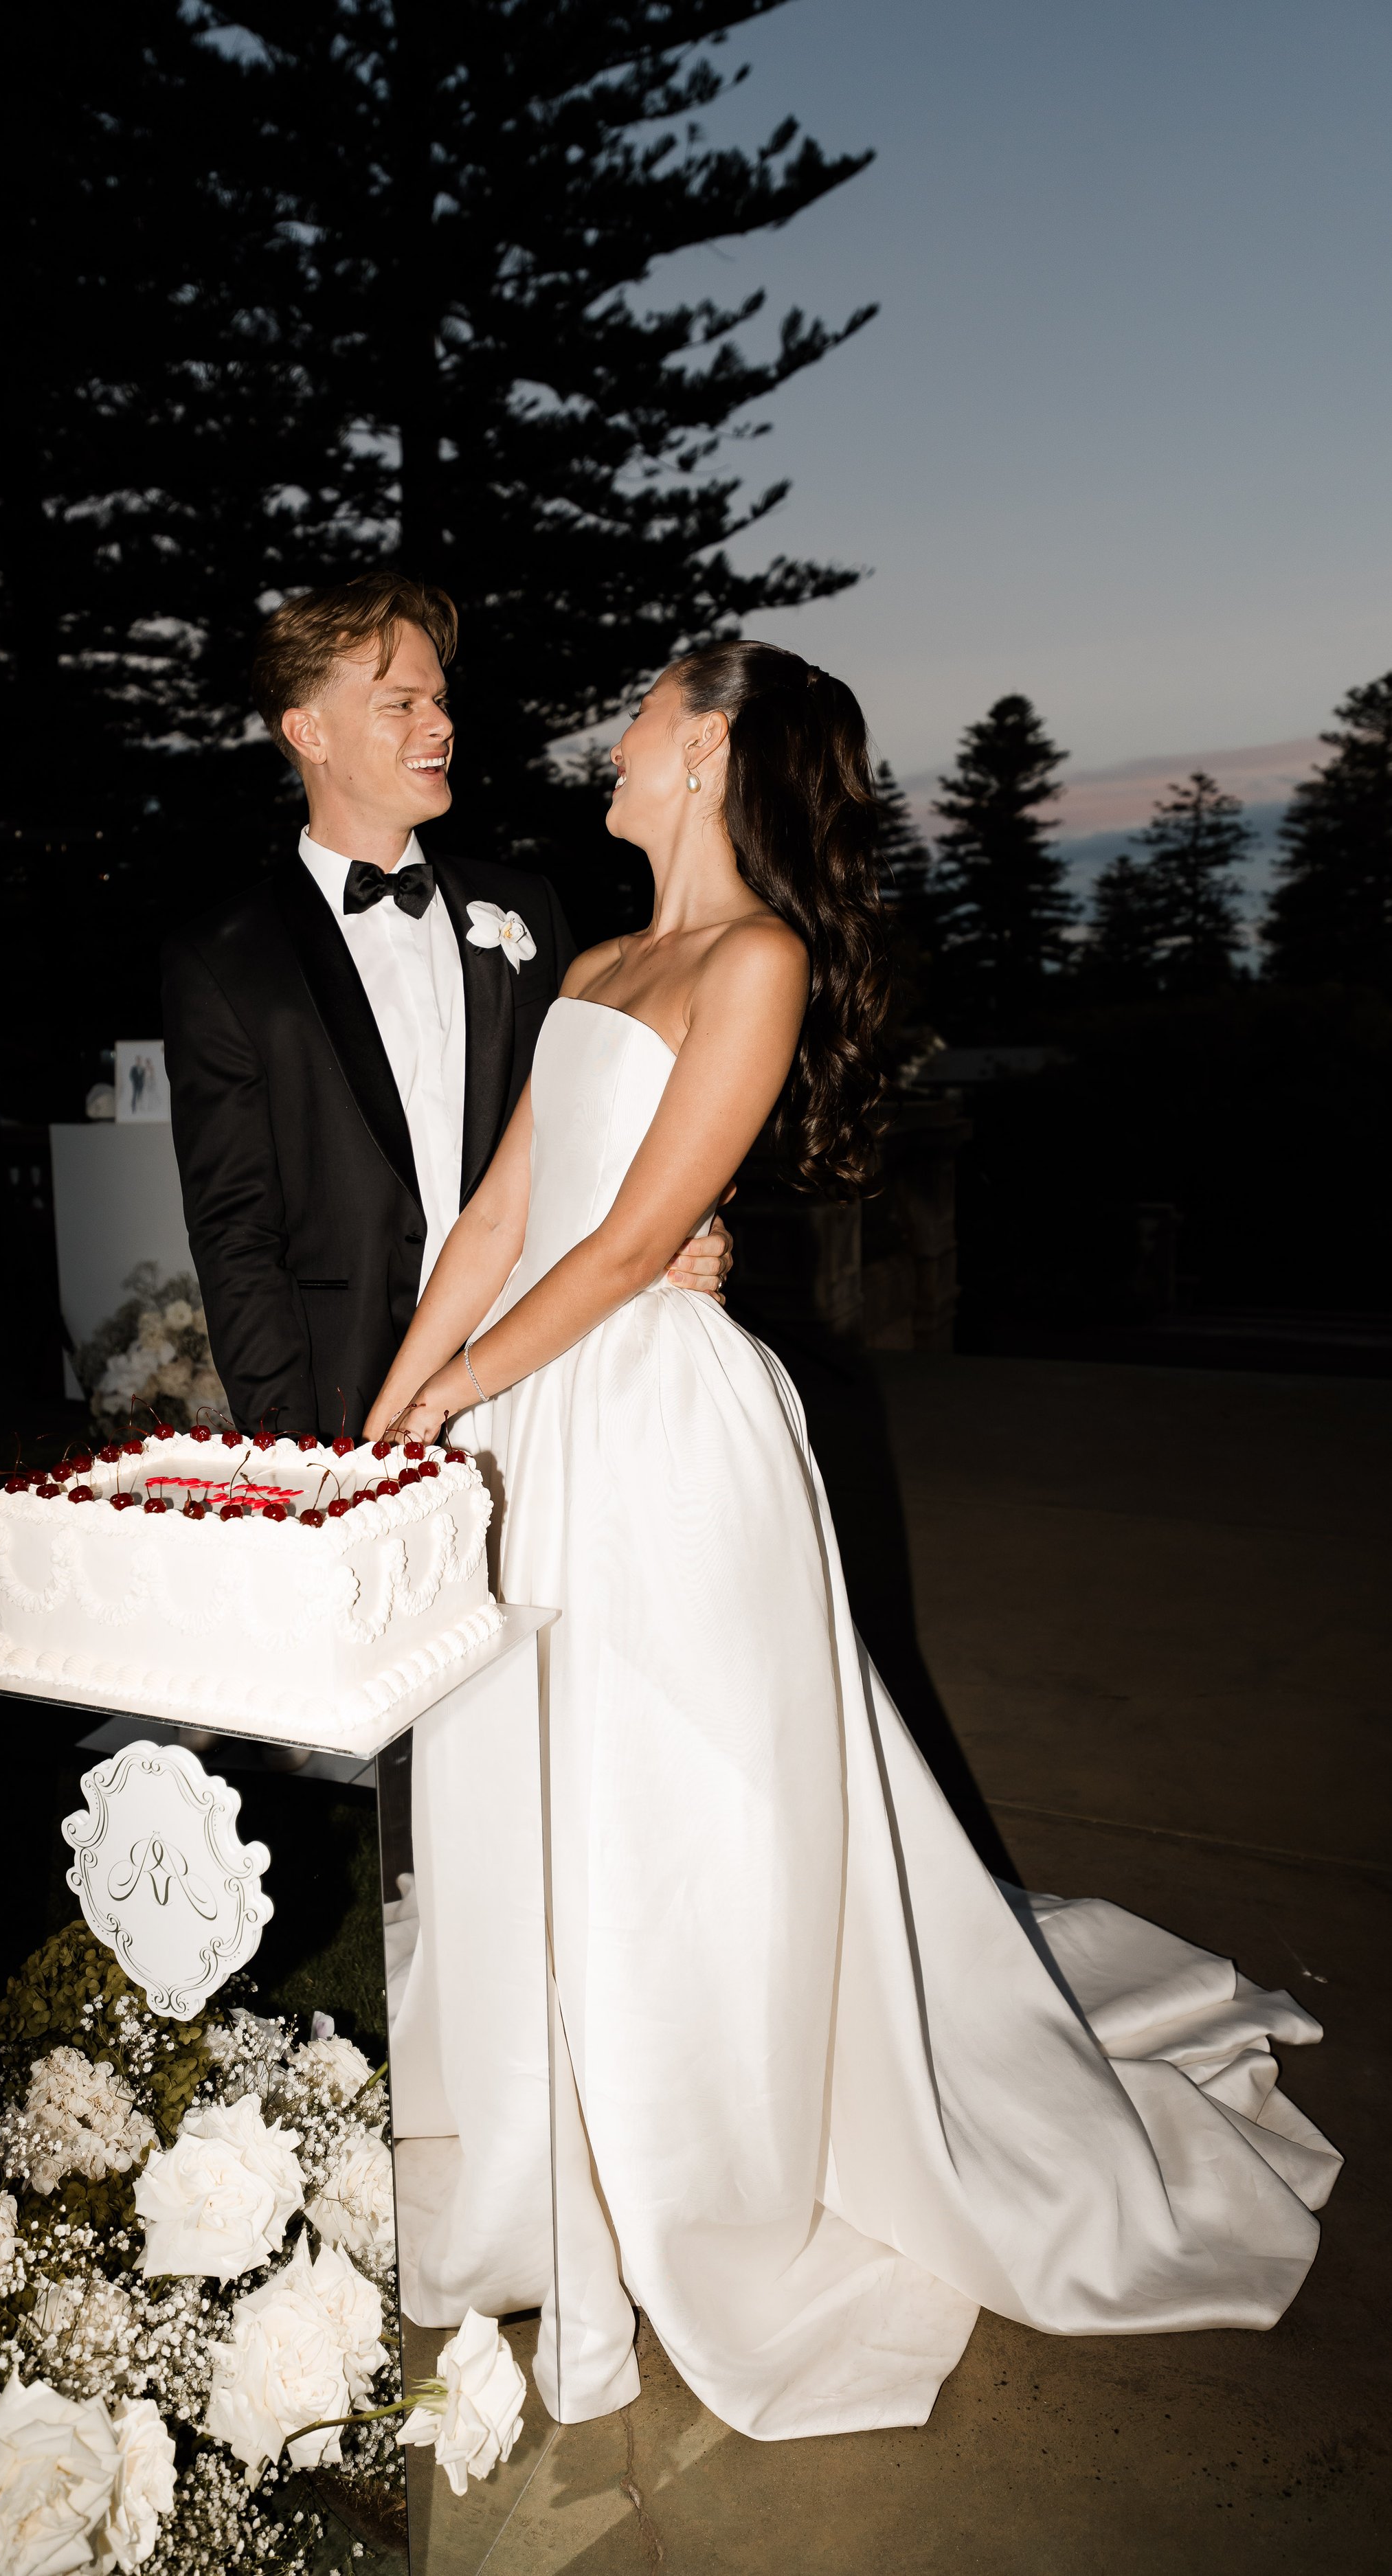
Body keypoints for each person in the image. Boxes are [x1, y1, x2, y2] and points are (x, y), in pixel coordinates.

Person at [365, 642, 1338, 2439]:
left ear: (710, 739)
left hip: (653, 1430)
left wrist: (456, 1396)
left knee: (684, 1792)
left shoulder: (758, 959)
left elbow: (625, 1240)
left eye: (653, 701)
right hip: (526, 1408)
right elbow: (499, 1213)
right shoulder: (590, 958)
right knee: (523, 1778)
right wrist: (389, 1408)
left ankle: (704, 2146)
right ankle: (542, 2125)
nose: (622, 724)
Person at [161, 571, 731, 1440]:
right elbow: (236, 1235)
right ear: (308, 732)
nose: (441, 725)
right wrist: (291, 1446)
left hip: (542, 1365)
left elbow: (598, 1117)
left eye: (440, 699)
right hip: (348, 1390)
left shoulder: (526, 911)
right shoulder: (224, 960)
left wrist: (692, 1228)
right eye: (400, 704)